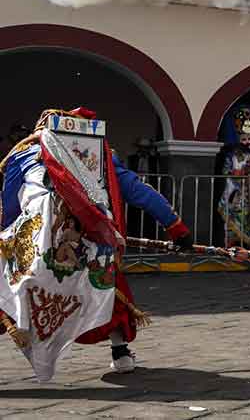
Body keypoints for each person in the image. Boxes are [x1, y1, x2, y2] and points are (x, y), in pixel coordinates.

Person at [0, 108, 192, 380]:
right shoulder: (101, 155)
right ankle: (121, 353)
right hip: (89, 238)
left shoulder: (24, 154)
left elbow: (8, 206)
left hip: (36, 236)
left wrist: (6, 232)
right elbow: (140, 193)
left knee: (6, 283)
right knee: (107, 286)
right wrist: (177, 228)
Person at [218, 108, 250, 249]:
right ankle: (231, 249)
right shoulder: (232, 156)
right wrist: (239, 171)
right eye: (244, 139)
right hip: (236, 194)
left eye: (249, 139)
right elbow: (225, 172)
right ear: (239, 139)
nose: (247, 142)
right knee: (233, 222)